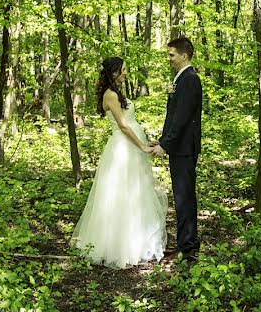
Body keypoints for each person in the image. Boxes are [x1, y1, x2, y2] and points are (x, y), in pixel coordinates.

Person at [71, 57, 167, 268]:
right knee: (121, 195)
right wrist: (141, 147)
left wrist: (145, 141)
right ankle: (119, 247)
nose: (125, 73)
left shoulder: (118, 93)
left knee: (136, 193)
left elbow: (130, 122)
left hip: (131, 145)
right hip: (122, 150)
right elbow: (123, 126)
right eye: (123, 70)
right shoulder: (110, 95)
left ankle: (137, 242)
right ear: (114, 72)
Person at [151, 37, 202, 261]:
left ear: (184, 55)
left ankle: (188, 248)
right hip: (178, 147)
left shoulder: (190, 79)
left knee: (184, 197)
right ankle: (186, 244)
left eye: (172, 55)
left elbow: (182, 118)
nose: (169, 59)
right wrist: (162, 140)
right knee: (182, 196)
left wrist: (166, 145)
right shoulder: (181, 79)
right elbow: (174, 116)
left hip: (183, 148)